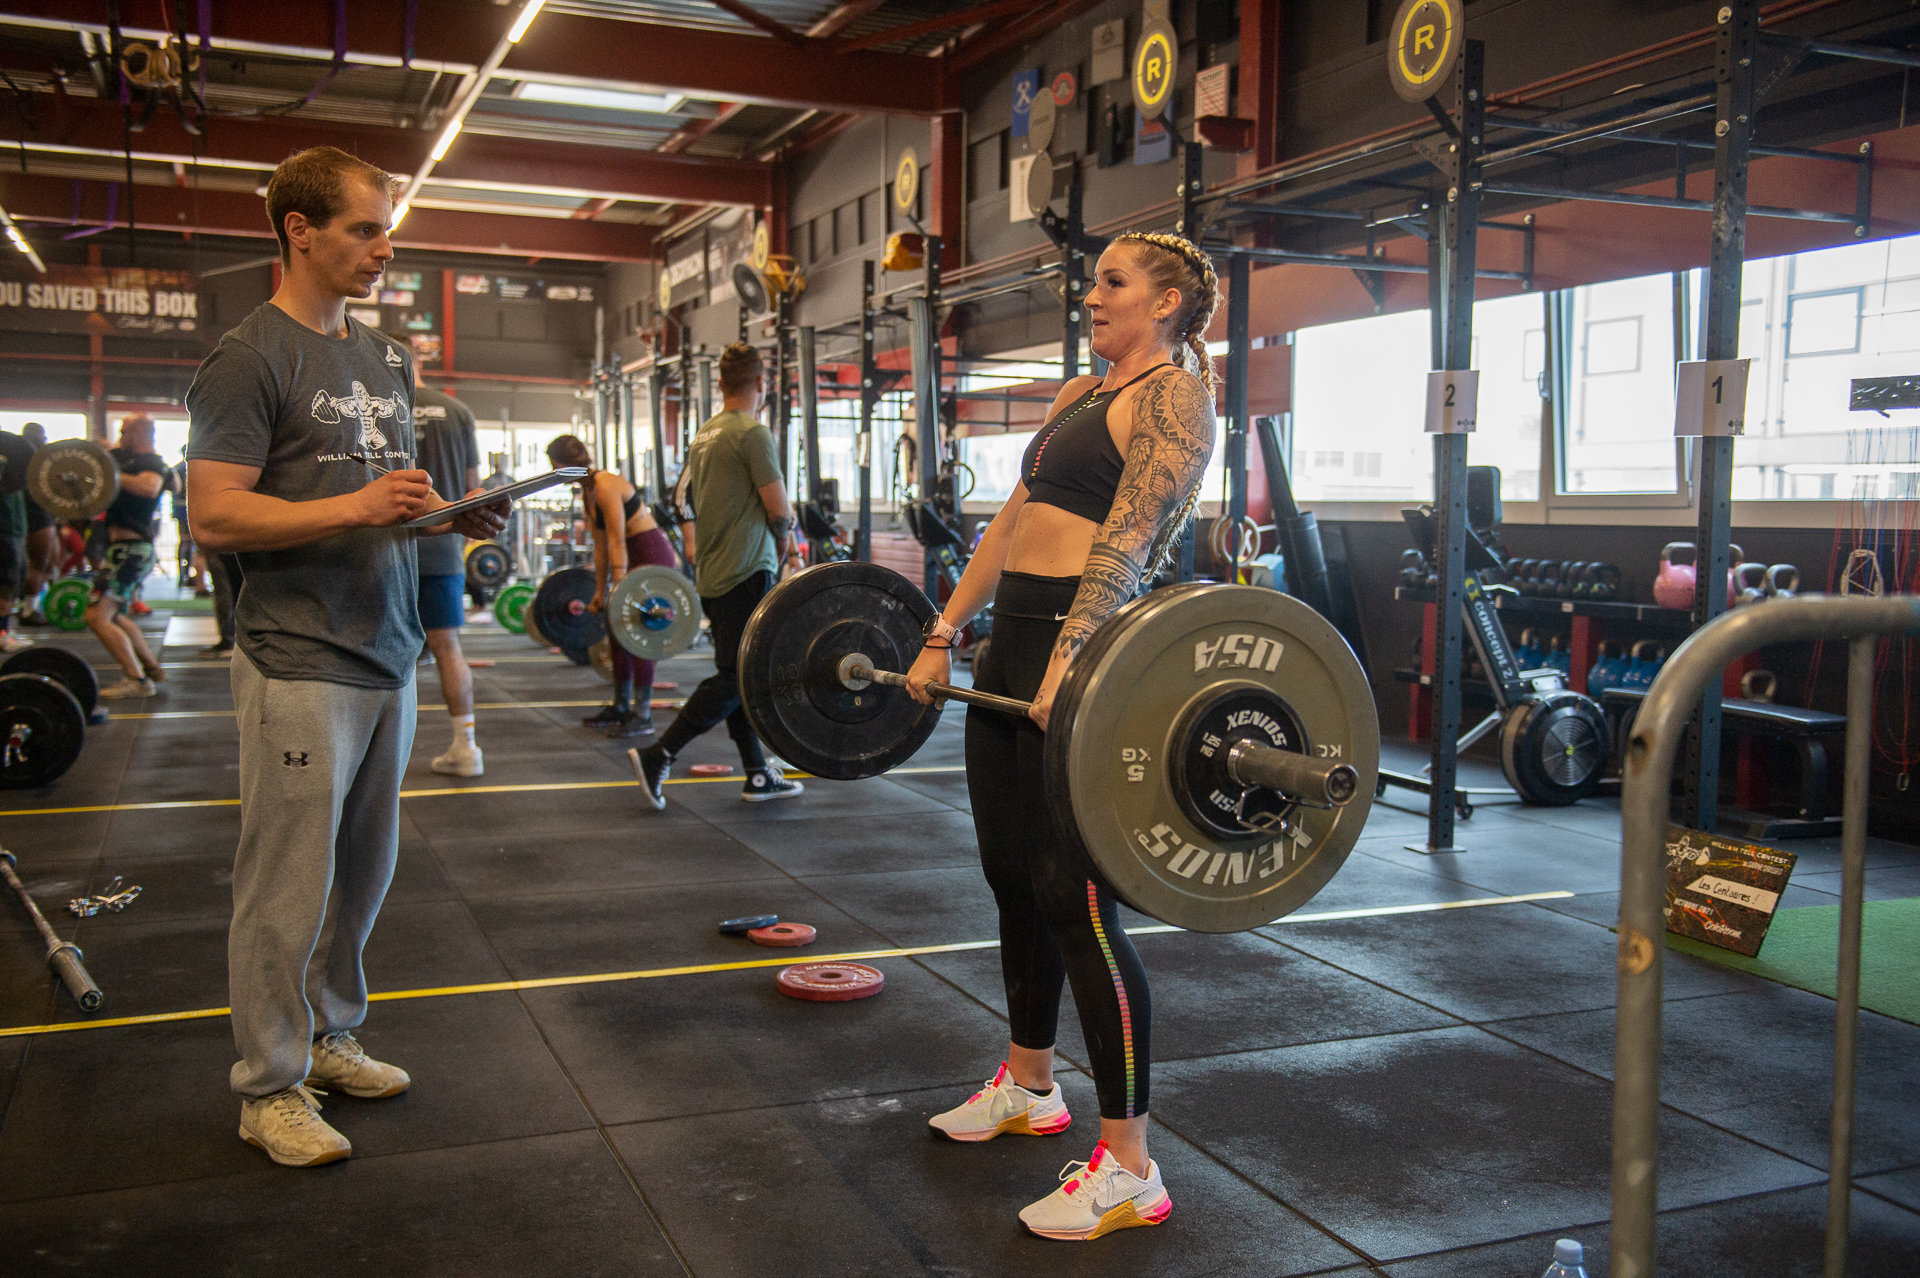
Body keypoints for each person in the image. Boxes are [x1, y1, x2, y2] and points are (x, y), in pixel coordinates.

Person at [186, 145, 507, 1169]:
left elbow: (377, 507)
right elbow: (215, 514)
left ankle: (328, 1037)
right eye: (367, 229)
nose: (385, 247)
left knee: (363, 876)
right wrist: (362, 506)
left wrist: (446, 519)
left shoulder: (378, 360)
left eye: (386, 228)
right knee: (285, 885)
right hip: (297, 655)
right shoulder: (248, 358)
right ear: (301, 231)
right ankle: (268, 1087)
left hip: (389, 646)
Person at [904, 232, 1219, 1241]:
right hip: (1012, 647)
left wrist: (1072, 657)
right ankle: (1031, 1084)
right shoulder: (1077, 395)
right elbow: (1009, 523)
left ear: (1165, 302)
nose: (1092, 297)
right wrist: (944, 631)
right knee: (1009, 872)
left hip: (1084, 651)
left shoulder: (1172, 397)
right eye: (1094, 281)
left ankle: (1129, 1161)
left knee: (1076, 899)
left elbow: (1130, 532)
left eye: (1112, 282)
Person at [629, 342, 804, 806]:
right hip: (747, 569)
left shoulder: (704, 435)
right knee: (740, 676)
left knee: (739, 674)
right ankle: (660, 754)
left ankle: (757, 773)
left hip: (712, 570)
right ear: (761, 385)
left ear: (722, 384)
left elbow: (682, 500)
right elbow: (777, 506)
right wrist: (786, 545)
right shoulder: (752, 434)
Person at [548, 434, 677, 739]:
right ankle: (621, 706)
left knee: (640, 632)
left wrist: (618, 587)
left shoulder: (605, 485)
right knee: (617, 629)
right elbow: (601, 546)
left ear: (562, 464)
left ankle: (642, 715)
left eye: (553, 466)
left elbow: (618, 539)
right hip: (627, 554)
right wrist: (598, 591)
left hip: (649, 552)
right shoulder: (587, 492)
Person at [411, 366, 485, 775]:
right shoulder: (458, 410)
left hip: (393, 548)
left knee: (384, 653)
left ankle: (377, 756)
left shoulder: (385, 407)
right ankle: (467, 748)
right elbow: (474, 488)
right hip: (445, 549)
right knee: (448, 648)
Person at [84, 414, 172, 698]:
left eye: (125, 431)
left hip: (131, 551)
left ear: (138, 432)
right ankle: (151, 667)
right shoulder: (127, 460)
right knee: (117, 615)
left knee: (96, 616)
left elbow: (149, 488)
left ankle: (137, 680)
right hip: (124, 551)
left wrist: (111, 475)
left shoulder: (150, 463)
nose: (121, 436)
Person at [19, 421, 57, 626]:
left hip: (44, 514)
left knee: (49, 563)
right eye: (42, 435)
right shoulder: (33, 458)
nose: (44, 439)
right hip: (37, 515)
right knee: (39, 564)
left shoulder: (40, 458)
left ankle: (33, 606)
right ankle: (28, 610)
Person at [0, 442, 32, 655]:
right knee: (6, 584)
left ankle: (5, 630)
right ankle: (1, 634)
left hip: (16, 529)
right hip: (4, 530)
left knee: (16, 582)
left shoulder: (12, 459)